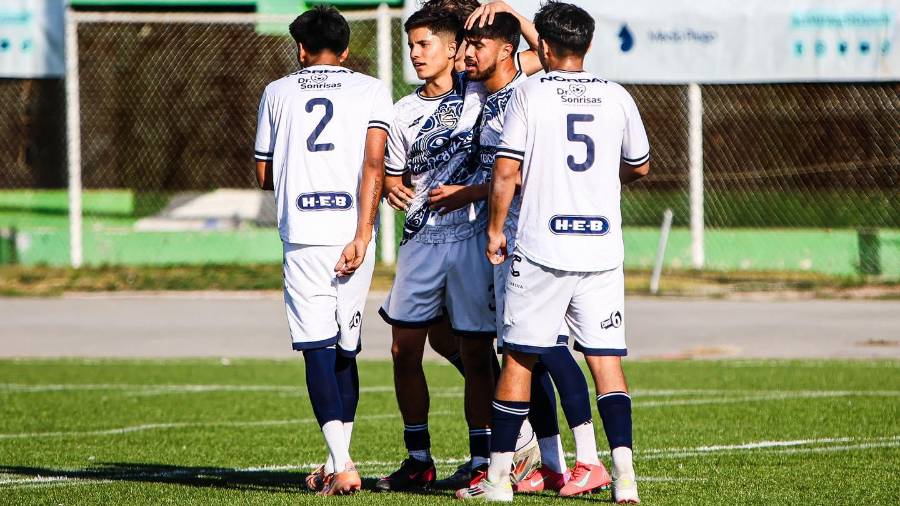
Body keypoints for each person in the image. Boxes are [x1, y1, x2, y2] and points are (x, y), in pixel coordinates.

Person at [458, 1, 650, 502]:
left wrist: (495, 229)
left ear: (542, 46)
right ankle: (623, 477)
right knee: (605, 360)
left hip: (543, 248)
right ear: (587, 44)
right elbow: (640, 166)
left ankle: (498, 482)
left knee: (518, 360)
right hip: (601, 249)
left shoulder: (528, 94)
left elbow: (506, 171)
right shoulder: (617, 95)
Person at [253, 5, 392, 496]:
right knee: (346, 347)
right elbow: (375, 163)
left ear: (300, 49)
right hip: (354, 233)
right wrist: (364, 231)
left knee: (315, 345)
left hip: (304, 236)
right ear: (347, 50)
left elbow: (264, 173)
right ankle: (339, 460)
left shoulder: (277, 91)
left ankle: (342, 461)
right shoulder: (372, 88)